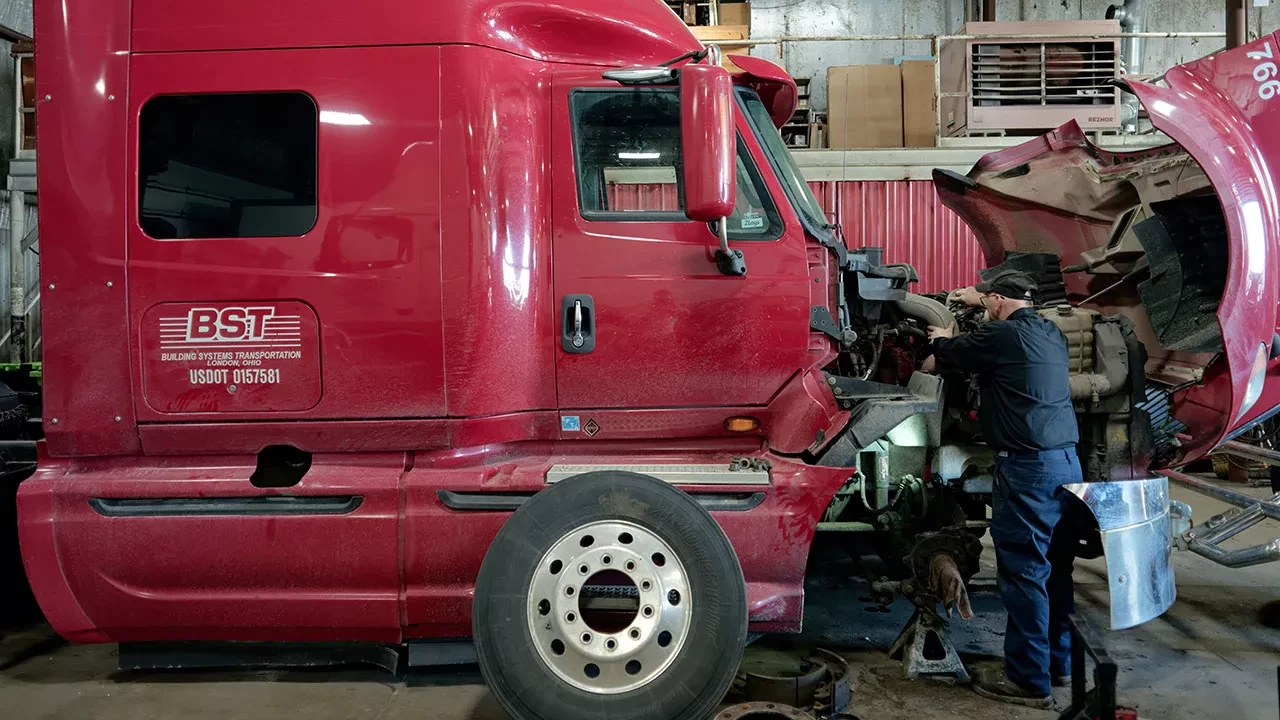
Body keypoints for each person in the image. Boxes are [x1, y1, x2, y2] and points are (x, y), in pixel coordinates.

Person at [924, 270, 1083, 709]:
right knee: (1056, 568)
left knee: (1024, 572)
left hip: (1027, 469)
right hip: (1066, 463)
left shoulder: (1000, 335)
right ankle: (1057, 664)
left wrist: (941, 338)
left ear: (996, 300)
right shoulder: (1052, 334)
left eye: (988, 299)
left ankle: (1029, 682)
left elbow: (952, 353)